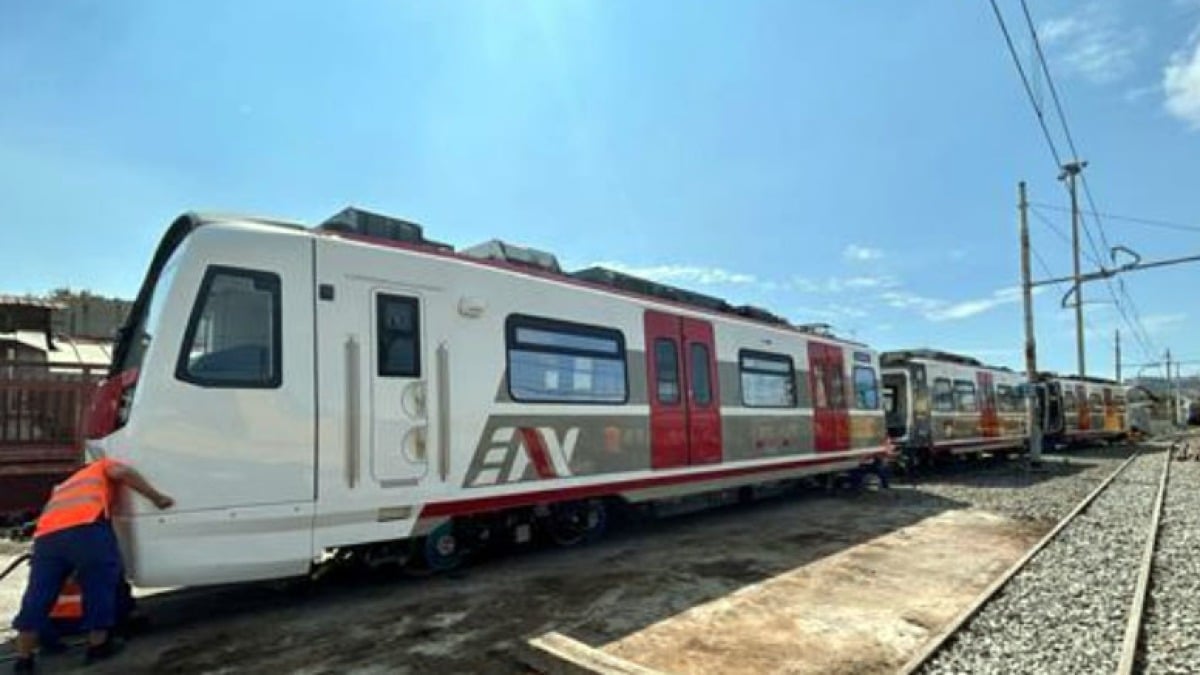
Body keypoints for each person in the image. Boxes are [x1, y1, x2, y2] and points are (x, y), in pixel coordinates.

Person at [9, 456, 173, 673]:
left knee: (38, 595)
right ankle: (98, 646)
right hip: (86, 529)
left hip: (46, 538)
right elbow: (122, 472)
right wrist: (156, 497)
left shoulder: (65, 486)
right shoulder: (101, 466)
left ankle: (23, 659)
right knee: (99, 584)